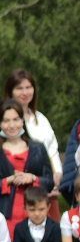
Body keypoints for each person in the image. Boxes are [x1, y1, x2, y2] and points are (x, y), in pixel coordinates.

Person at [0, 98, 53, 230]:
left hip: (35, 214)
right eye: (6, 120)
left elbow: (50, 182)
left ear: (22, 120)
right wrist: (8, 180)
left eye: (16, 119)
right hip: (5, 216)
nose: (12, 125)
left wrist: (33, 178)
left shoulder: (38, 148)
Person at [5, 69, 61, 188]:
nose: (25, 92)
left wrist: (57, 174)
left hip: (43, 187)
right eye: (19, 88)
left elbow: (52, 151)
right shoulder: (3, 121)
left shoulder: (41, 119)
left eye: (28, 87)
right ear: (11, 91)